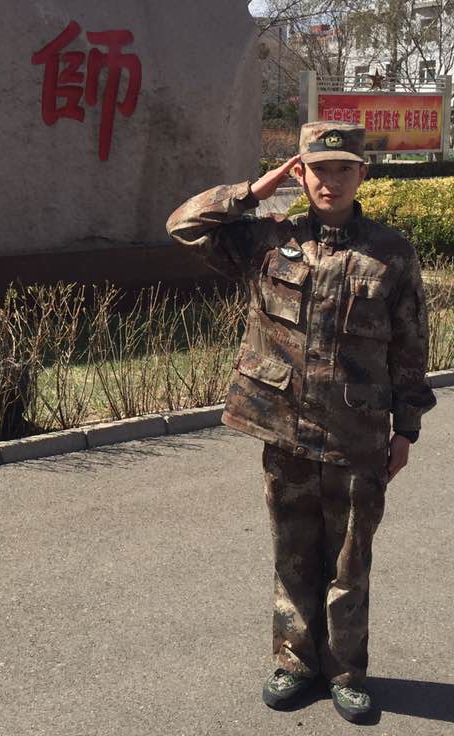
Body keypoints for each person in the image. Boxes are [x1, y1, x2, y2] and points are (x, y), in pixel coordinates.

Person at [165, 122, 435, 724]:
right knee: (292, 553)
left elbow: (411, 347)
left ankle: (346, 672)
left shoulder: (391, 253)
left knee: (348, 563)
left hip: (357, 434)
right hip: (285, 429)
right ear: (300, 172)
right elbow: (183, 226)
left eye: (343, 169)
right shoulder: (267, 240)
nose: (330, 181)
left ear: (362, 174)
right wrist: (254, 191)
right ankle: (294, 662)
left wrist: (407, 429)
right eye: (318, 169)